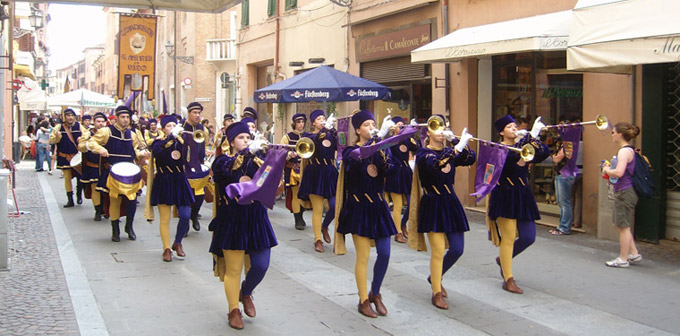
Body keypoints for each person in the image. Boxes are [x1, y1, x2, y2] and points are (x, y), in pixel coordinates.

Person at [208, 121, 277, 330]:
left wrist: (277, 157)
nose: (246, 141)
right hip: (232, 218)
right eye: (241, 138)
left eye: (248, 138)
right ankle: (233, 310)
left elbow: (269, 177)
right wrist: (248, 154)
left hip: (256, 217)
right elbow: (226, 174)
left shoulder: (257, 159)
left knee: (262, 264)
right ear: (231, 142)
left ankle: (246, 291)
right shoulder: (223, 161)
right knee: (234, 269)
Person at [408, 118, 476, 309]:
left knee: (457, 249)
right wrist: (457, 147)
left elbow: (470, 157)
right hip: (433, 202)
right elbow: (436, 165)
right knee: (438, 251)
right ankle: (436, 292)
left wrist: (456, 142)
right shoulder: (423, 153)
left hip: (450, 201)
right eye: (435, 128)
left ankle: (434, 276)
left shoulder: (449, 151)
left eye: (443, 128)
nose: (440, 132)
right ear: (427, 132)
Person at [335, 110, 396, 318]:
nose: (371, 127)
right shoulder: (350, 151)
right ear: (358, 129)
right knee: (363, 257)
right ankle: (362, 300)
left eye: (373, 124)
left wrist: (383, 147)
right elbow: (357, 160)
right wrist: (376, 145)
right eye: (367, 125)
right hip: (359, 208)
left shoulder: (380, 149)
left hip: (379, 207)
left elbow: (389, 169)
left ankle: (375, 292)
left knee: (385, 253)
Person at [487, 115, 549, 294]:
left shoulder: (522, 145)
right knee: (507, 238)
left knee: (529, 237)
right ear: (501, 132)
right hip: (505, 194)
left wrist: (534, 137)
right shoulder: (497, 148)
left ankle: (503, 259)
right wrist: (529, 138)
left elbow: (543, 153)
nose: (514, 129)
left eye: (515, 126)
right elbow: (510, 161)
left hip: (523, 194)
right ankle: (508, 278)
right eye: (510, 127)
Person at [88, 105, 149, 242]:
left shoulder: (132, 134)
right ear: (116, 118)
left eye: (127, 117)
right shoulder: (106, 131)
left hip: (129, 172)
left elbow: (134, 153)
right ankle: (115, 229)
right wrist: (100, 149)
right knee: (115, 201)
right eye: (123, 117)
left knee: (132, 200)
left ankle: (129, 226)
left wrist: (142, 155)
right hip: (113, 171)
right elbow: (91, 143)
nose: (125, 120)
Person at [147, 115, 195, 262]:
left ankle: (178, 241)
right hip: (164, 180)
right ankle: (166, 248)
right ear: (163, 129)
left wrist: (188, 142)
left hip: (180, 179)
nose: (172, 128)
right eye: (169, 126)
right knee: (165, 219)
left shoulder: (182, 142)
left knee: (186, 215)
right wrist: (170, 139)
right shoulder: (157, 143)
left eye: (174, 125)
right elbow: (159, 154)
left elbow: (193, 157)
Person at [602, 122, 642, 268]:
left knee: (623, 226)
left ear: (620, 134)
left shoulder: (623, 152)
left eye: (613, 132)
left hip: (625, 191)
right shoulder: (628, 151)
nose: (612, 135)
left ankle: (623, 259)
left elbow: (619, 172)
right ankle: (633, 253)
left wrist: (606, 170)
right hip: (625, 190)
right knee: (619, 224)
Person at [298, 109, 338, 252]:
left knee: (335, 206)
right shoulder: (309, 135)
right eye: (319, 118)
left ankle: (325, 226)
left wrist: (334, 131)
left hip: (330, 172)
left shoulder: (331, 134)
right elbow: (309, 144)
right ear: (314, 122)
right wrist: (322, 134)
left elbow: (341, 146)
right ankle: (317, 240)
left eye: (324, 117)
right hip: (315, 172)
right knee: (318, 209)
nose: (322, 120)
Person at [383, 116, 419, 243]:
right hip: (395, 173)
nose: (401, 127)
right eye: (399, 125)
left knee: (410, 203)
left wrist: (411, 133)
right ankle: (397, 232)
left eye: (402, 125)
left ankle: (403, 224)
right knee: (398, 205)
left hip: (406, 172)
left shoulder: (407, 139)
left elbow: (417, 148)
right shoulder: (390, 140)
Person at [179, 102, 214, 233]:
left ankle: (195, 214)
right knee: (186, 195)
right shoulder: (181, 127)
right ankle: (185, 221)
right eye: (194, 113)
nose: (197, 115)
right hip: (184, 166)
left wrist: (206, 152)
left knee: (200, 195)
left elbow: (203, 146)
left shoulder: (202, 129)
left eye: (199, 113)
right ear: (188, 113)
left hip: (198, 165)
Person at [280, 113, 310, 230]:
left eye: (302, 122)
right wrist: (288, 154)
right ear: (294, 123)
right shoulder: (287, 137)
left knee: (304, 194)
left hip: (306, 169)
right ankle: (298, 219)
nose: (301, 124)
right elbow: (281, 150)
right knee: (295, 193)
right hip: (293, 169)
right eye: (298, 122)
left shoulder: (308, 136)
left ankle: (301, 214)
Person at [49, 108, 83, 207]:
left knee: (80, 177)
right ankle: (70, 199)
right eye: (68, 115)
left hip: (77, 158)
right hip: (65, 157)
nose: (70, 117)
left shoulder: (79, 126)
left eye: (72, 115)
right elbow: (51, 140)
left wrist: (82, 139)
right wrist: (57, 137)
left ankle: (79, 195)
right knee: (67, 178)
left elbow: (87, 137)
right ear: (65, 117)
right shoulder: (58, 127)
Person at [77, 112, 107, 221]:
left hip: (105, 166)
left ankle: (107, 210)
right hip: (93, 166)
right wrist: (89, 147)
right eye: (98, 121)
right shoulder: (87, 133)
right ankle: (98, 211)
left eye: (103, 121)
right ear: (93, 123)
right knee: (95, 189)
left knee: (107, 189)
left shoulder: (109, 132)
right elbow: (80, 146)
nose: (101, 124)